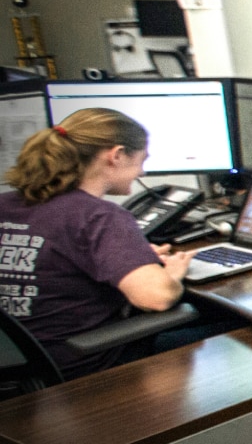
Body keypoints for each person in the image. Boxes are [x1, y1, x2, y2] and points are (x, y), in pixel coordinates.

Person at [0, 108, 197, 379]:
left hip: (19, 370)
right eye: (142, 160)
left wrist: (128, 257)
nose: (142, 171)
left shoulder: (6, 204)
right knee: (237, 331)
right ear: (116, 155)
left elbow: (52, 264)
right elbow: (157, 298)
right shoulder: (98, 217)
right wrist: (171, 275)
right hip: (81, 367)